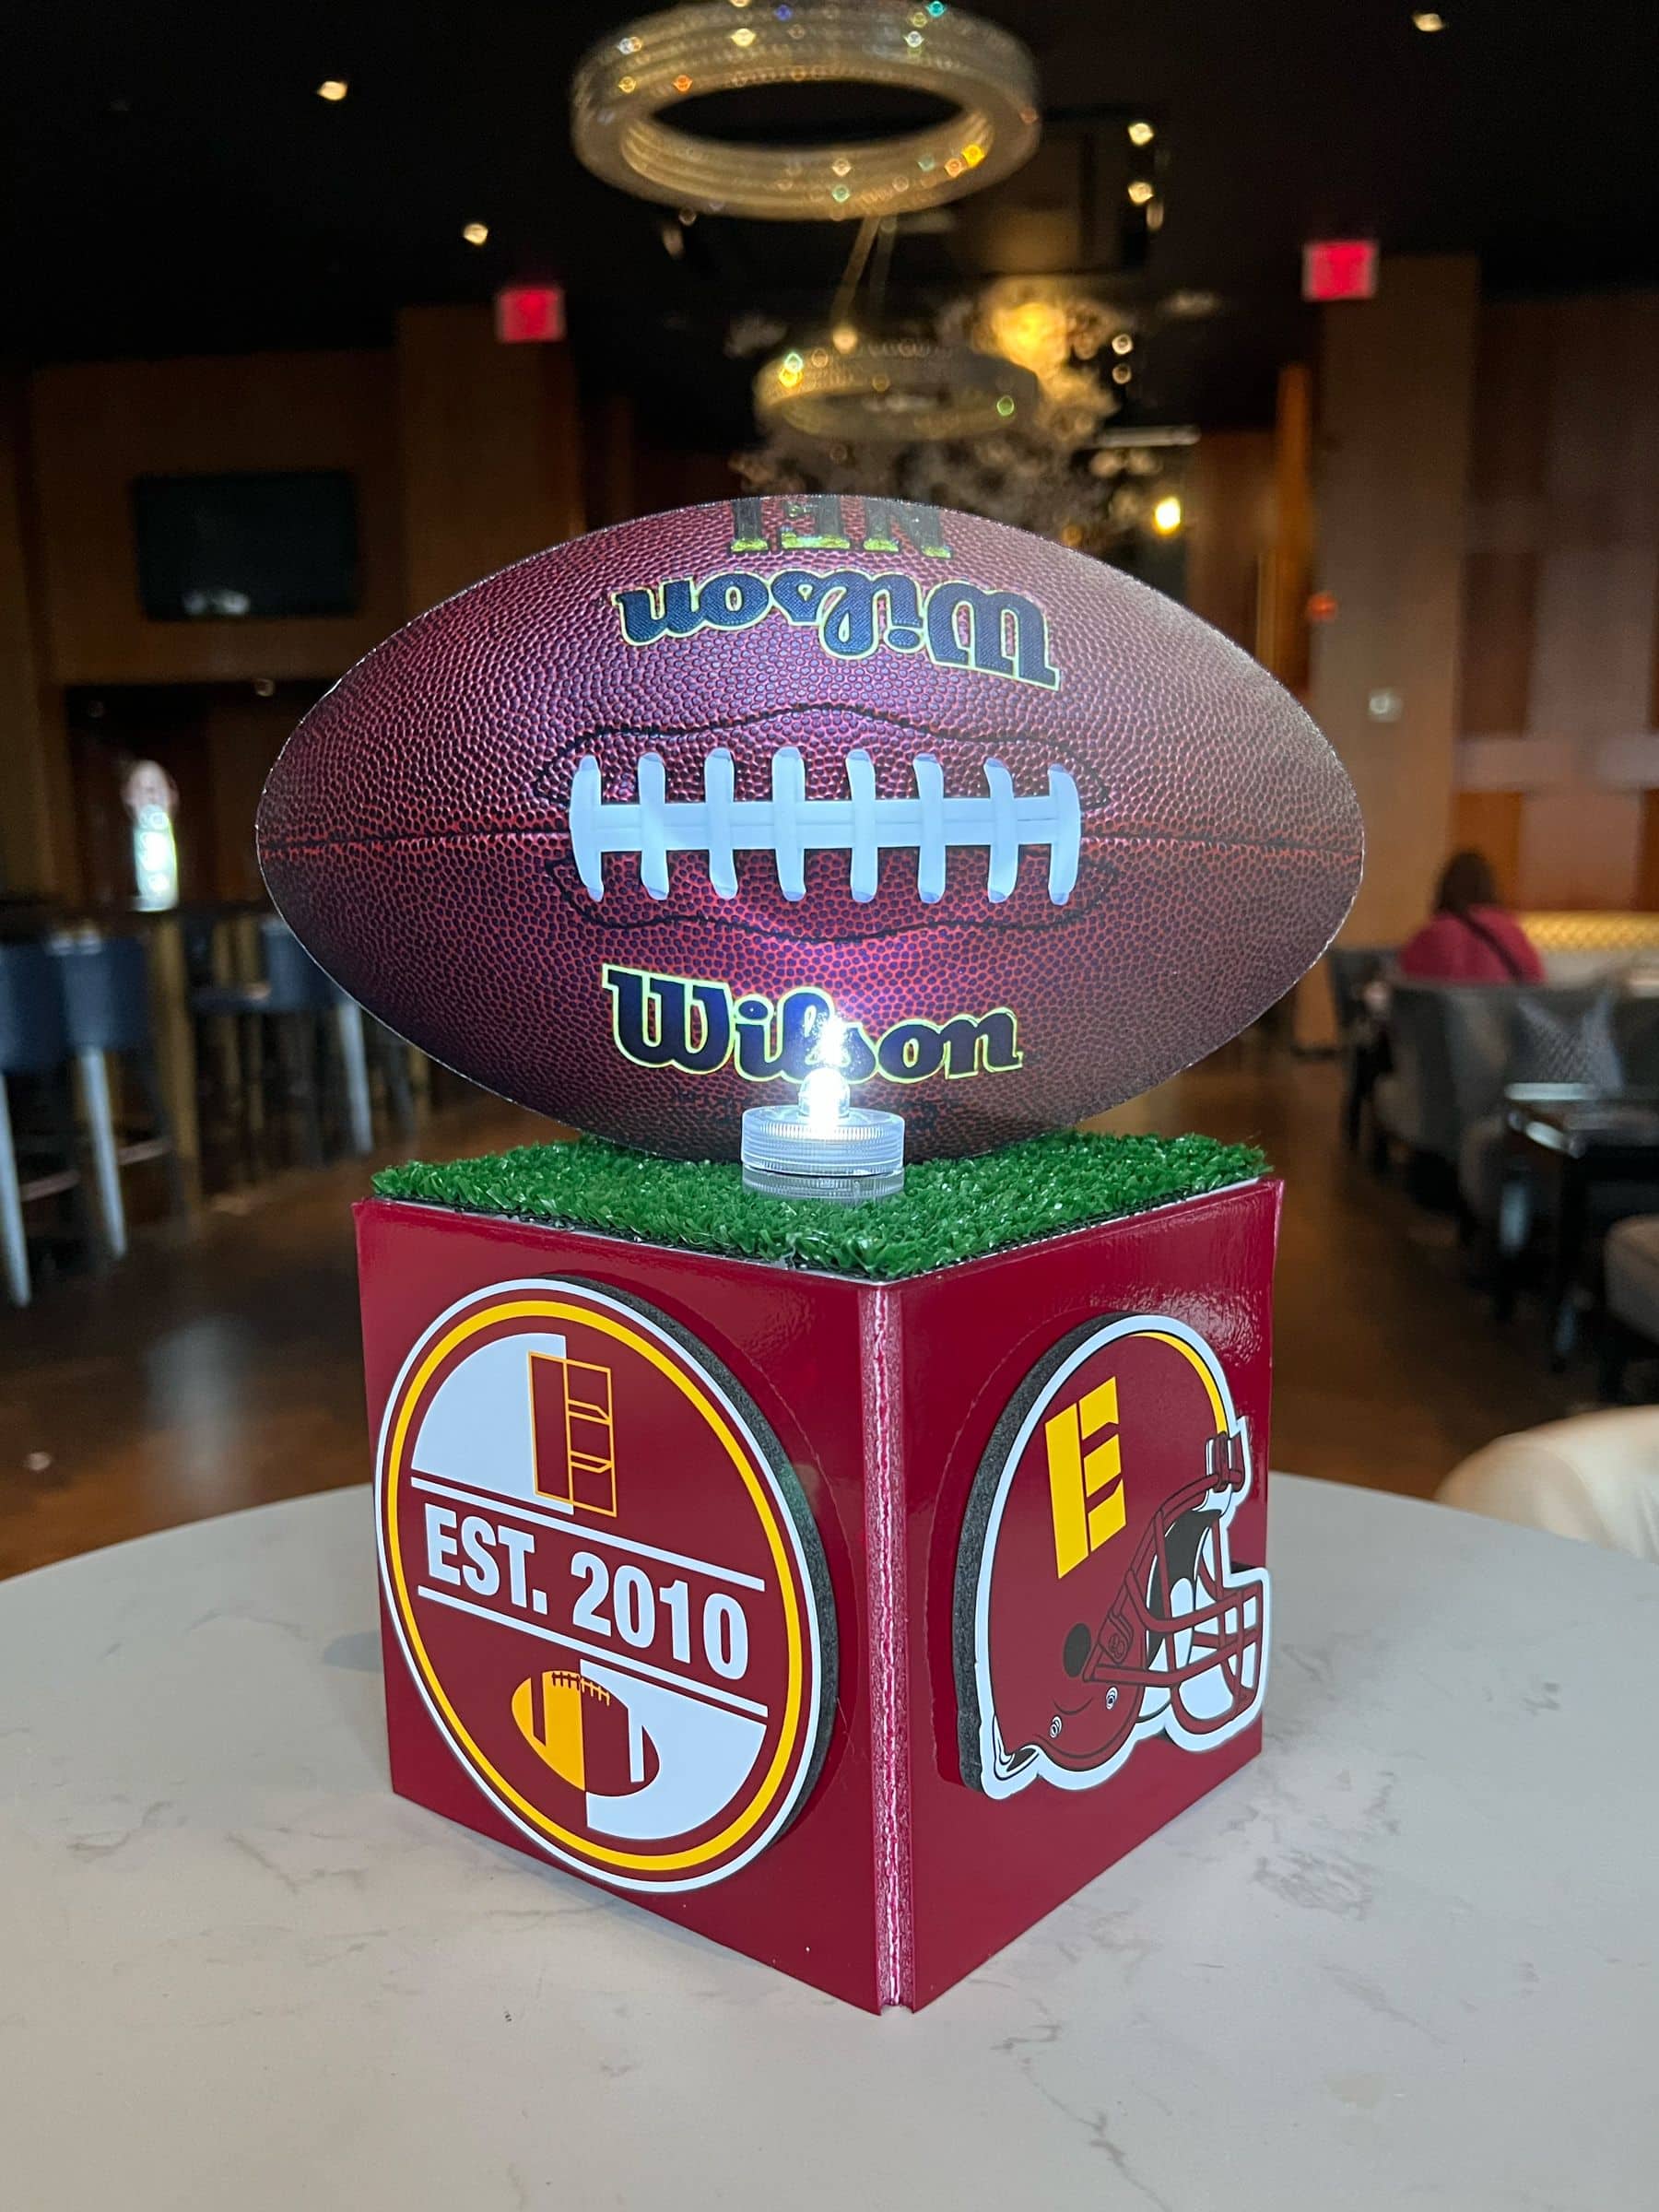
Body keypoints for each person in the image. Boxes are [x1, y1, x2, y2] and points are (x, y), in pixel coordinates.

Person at [1397, 850, 1544, 983]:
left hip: (1447, 1013)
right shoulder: (1511, 931)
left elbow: (1407, 988)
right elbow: (1536, 982)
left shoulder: (1431, 934)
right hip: (1502, 1012)